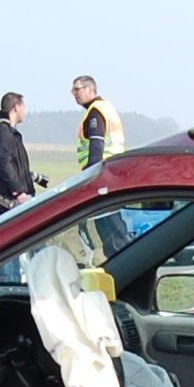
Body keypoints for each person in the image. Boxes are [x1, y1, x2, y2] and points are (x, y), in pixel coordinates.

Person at [72, 75, 129, 256]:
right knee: (114, 226)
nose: (74, 94)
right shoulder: (105, 108)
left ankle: (121, 264)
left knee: (108, 226)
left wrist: (91, 178)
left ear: (90, 89)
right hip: (112, 171)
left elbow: (96, 147)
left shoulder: (96, 112)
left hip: (102, 174)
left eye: (77, 89)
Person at [0, 91, 35, 209]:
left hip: (15, 196)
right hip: (9, 199)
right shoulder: (3, 130)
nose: (25, 111)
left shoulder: (9, 131)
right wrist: (18, 191)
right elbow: (3, 162)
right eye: (24, 106)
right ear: (16, 107)